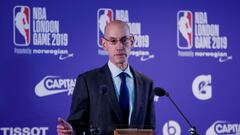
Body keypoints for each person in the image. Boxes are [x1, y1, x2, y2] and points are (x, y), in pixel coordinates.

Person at [57, 20, 155, 135]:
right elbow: (76, 125)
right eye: (113, 41)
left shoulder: (146, 83)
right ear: (104, 44)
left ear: (132, 42)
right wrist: (71, 131)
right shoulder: (88, 81)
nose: (119, 46)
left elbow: (150, 129)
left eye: (124, 40)